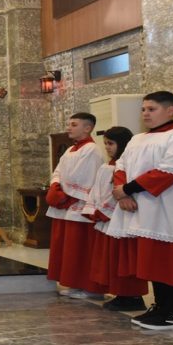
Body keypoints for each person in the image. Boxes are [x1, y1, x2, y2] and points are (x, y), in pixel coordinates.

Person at [110, 91, 173, 330]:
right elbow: (120, 166)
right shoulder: (137, 139)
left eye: (152, 109)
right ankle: (161, 307)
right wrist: (123, 193)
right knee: (155, 262)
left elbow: (169, 172)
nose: (145, 114)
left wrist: (126, 189)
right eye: (143, 109)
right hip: (146, 211)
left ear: (170, 110)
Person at [81, 126, 148, 311]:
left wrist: (104, 211)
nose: (107, 147)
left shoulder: (127, 167)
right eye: (105, 144)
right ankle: (121, 294)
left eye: (111, 143)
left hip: (121, 219)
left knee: (124, 260)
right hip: (106, 220)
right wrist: (93, 208)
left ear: (123, 144)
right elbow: (98, 190)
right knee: (112, 260)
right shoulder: (106, 166)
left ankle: (132, 296)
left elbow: (117, 193)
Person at [45, 112, 107, 299]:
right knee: (69, 248)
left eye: (73, 124)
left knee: (82, 248)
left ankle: (90, 288)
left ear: (87, 128)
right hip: (66, 204)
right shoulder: (70, 149)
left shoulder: (92, 150)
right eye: (69, 124)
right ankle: (74, 283)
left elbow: (84, 177)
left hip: (79, 205)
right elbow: (58, 170)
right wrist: (55, 186)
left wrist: (65, 196)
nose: (68, 128)